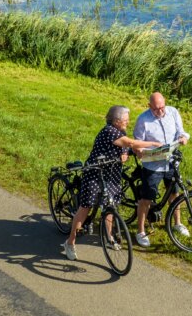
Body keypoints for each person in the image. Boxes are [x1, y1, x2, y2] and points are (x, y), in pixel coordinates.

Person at [61, 105, 160, 261]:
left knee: (110, 207)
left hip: (111, 174)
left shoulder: (120, 131)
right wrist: (153, 144)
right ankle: (70, 242)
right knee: (85, 207)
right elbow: (131, 143)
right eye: (126, 120)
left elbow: (125, 147)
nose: (128, 122)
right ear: (117, 120)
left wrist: (124, 154)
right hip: (95, 173)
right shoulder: (109, 131)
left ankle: (109, 237)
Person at [133, 92, 190, 247]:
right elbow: (137, 143)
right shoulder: (143, 119)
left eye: (162, 107)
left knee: (175, 194)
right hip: (153, 165)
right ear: (149, 106)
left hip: (171, 162)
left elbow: (181, 131)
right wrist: (141, 151)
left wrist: (183, 138)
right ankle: (140, 231)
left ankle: (177, 223)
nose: (160, 111)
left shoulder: (172, 112)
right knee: (146, 199)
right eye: (156, 109)